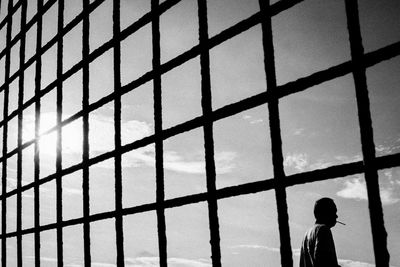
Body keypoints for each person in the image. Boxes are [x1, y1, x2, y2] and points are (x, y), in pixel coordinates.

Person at [300, 197, 341, 267]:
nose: (336, 216)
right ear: (325, 212)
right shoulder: (323, 230)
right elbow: (323, 261)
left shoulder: (307, 234)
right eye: (333, 212)